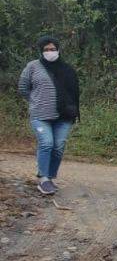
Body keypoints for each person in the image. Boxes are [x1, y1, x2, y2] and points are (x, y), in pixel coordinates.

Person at [18, 36, 80, 195]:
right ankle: (43, 179)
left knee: (58, 146)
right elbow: (23, 87)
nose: (49, 52)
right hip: (40, 114)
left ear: (58, 50)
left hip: (64, 116)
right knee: (46, 143)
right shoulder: (32, 66)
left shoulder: (67, 69)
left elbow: (74, 92)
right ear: (41, 51)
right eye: (46, 49)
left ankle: (50, 177)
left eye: (52, 49)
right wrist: (35, 100)